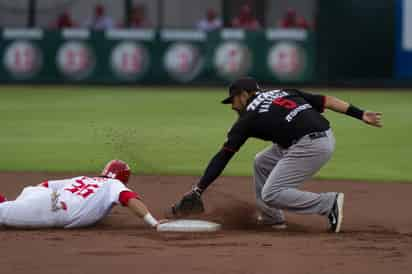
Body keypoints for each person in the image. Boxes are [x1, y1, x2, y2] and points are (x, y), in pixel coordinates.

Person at [169, 77, 383, 233]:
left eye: (233, 100)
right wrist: (361, 114)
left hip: (310, 146)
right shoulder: (283, 91)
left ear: (243, 95)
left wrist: (199, 189)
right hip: (321, 135)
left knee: (272, 193)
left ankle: (328, 204)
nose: (232, 106)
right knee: (261, 162)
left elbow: (223, 156)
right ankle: (272, 218)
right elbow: (327, 100)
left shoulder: (247, 120)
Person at [0, 160, 161, 229]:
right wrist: (153, 223)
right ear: (124, 179)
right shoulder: (115, 185)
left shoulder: (84, 178)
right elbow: (130, 199)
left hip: (40, 194)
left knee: (8, 207)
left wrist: (31, 201)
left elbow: (45, 184)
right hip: (52, 208)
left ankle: (10, 205)